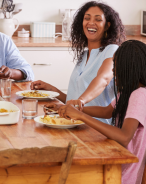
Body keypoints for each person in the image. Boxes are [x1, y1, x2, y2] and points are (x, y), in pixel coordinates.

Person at [58, 40, 146, 184]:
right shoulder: (128, 92)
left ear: (129, 68)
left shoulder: (140, 95)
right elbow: (106, 111)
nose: (113, 72)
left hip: (122, 174)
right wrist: (76, 108)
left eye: (116, 67)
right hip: (116, 162)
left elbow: (124, 137)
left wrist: (81, 115)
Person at [31, 1, 126, 123]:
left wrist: (81, 100)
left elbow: (104, 79)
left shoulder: (112, 50)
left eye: (98, 19)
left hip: (97, 128)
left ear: (107, 25)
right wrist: (53, 90)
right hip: (75, 123)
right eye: (87, 18)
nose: (91, 22)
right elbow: (74, 101)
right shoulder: (84, 55)